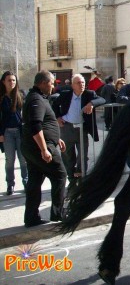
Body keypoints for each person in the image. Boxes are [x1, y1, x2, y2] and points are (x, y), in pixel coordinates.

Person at [21, 70, 67, 227]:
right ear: (42, 83)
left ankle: (31, 217)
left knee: (35, 180)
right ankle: (58, 213)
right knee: (60, 175)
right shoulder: (36, 99)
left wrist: (56, 138)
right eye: (51, 82)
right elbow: (35, 125)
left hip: (36, 146)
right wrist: (44, 149)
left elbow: (46, 124)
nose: (53, 86)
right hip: (40, 147)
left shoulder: (38, 98)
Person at [52, 74, 105, 192]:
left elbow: (102, 99)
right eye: (78, 83)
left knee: (82, 155)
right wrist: (58, 117)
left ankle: (81, 180)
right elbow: (54, 104)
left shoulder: (89, 94)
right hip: (67, 128)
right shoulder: (66, 94)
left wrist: (91, 104)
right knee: (67, 156)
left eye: (83, 82)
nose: (81, 85)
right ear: (72, 85)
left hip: (82, 129)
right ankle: (72, 180)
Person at [0, 71, 28, 195]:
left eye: (13, 80)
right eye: (9, 80)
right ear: (3, 82)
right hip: (7, 133)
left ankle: (26, 181)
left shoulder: (21, 95)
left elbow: (26, 113)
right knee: (10, 160)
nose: (12, 82)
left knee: (23, 159)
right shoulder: (1, 97)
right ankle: (10, 184)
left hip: (20, 132)